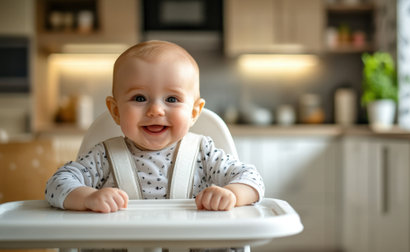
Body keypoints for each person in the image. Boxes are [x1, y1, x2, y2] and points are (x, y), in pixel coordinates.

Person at [45, 40, 264, 213]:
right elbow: (56, 185)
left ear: (194, 112)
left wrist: (232, 195)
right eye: (139, 98)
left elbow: (251, 179)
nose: (156, 110)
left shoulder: (204, 153)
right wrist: (88, 198)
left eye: (171, 99)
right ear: (116, 111)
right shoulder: (103, 157)